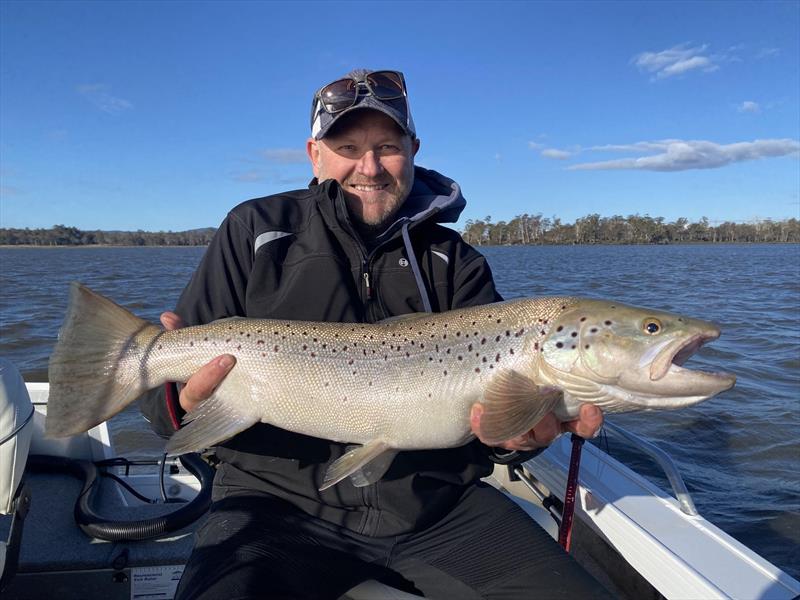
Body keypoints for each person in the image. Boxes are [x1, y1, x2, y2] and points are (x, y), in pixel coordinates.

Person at [141, 69, 609, 599]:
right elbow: (161, 415)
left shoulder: (457, 263)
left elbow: (494, 435)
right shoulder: (255, 230)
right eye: (347, 146)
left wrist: (513, 441)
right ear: (315, 154)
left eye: (387, 146)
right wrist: (181, 399)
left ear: (413, 149)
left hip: (438, 510)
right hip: (273, 506)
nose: (369, 166)